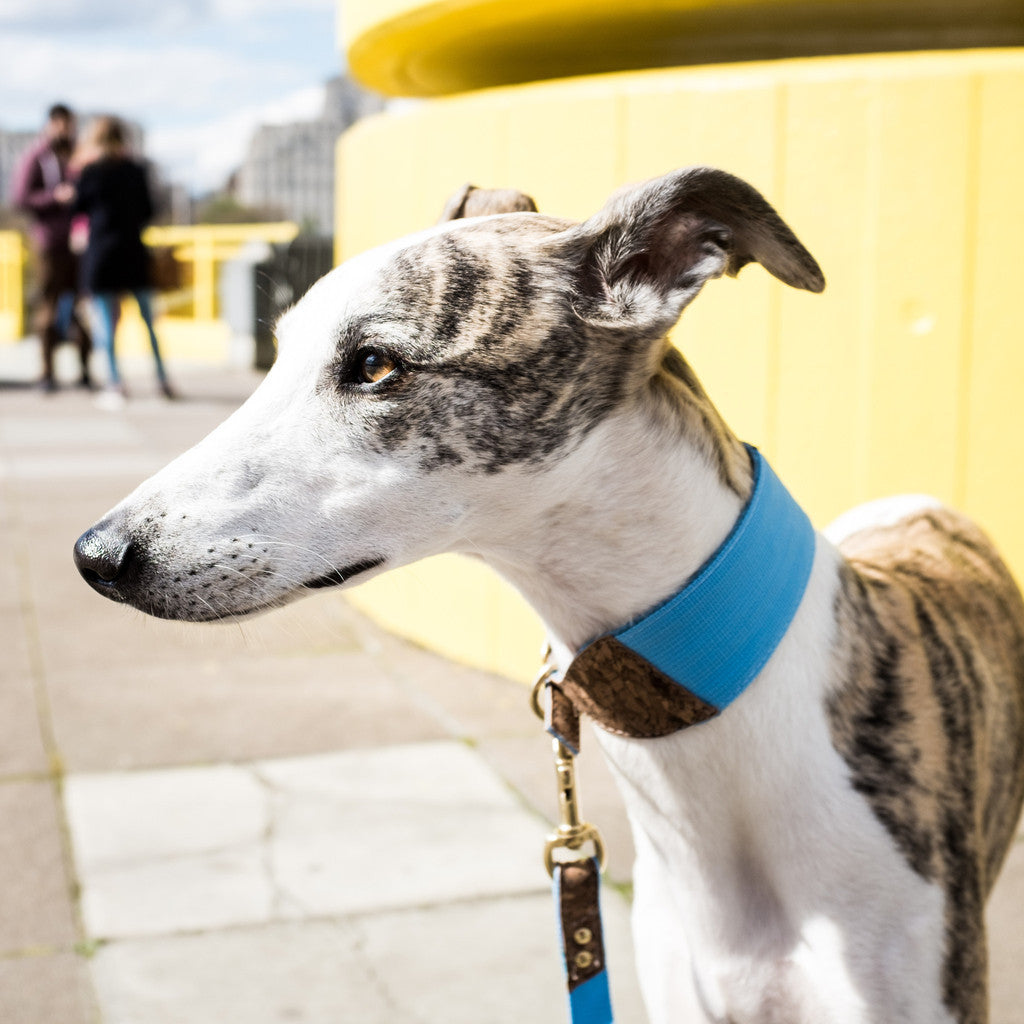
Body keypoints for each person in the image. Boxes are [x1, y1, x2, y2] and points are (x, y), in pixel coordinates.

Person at [73, 115, 174, 403]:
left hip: (102, 254)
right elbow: (147, 211)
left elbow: (78, 210)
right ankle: (162, 377)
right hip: (132, 253)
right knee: (148, 321)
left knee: (107, 324)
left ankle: (115, 383)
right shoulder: (135, 170)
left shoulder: (90, 172)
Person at [11, 103, 93, 392]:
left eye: (69, 124)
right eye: (59, 124)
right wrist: (54, 198)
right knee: (49, 305)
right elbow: (21, 197)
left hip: (81, 244)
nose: (65, 130)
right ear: (50, 124)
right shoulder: (37, 156)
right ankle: (47, 372)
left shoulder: (80, 155)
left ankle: (85, 370)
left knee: (83, 307)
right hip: (50, 243)